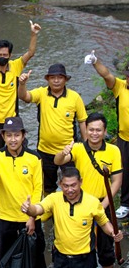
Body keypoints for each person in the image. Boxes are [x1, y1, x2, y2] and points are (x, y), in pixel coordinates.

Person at [21, 167, 123, 268]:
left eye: (73, 185)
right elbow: (38, 209)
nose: (70, 190)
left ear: (80, 182)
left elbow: (104, 223)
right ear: (59, 185)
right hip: (61, 258)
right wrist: (28, 209)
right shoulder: (54, 199)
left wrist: (113, 233)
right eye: (66, 186)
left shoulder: (92, 202)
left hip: (85, 259)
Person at [54, 112, 123, 268]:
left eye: (98, 130)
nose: (94, 133)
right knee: (81, 244)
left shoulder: (113, 151)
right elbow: (57, 161)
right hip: (80, 202)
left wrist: (103, 205)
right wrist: (63, 153)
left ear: (104, 131)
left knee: (107, 246)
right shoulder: (77, 148)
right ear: (86, 130)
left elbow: (117, 181)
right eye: (91, 129)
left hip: (103, 202)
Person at [0, 116, 48, 268]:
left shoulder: (34, 158)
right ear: (3, 136)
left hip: (29, 216)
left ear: (23, 136)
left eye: (16, 135)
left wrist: (32, 216)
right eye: (9, 135)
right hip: (4, 216)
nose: (13, 139)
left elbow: (38, 189)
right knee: (5, 254)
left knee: (35, 252)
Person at [18, 63, 87, 195]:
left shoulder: (74, 97)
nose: (56, 80)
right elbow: (24, 97)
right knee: (47, 185)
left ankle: (70, 208)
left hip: (68, 151)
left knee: (71, 184)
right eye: (52, 77)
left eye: (60, 77)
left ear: (65, 79)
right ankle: (49, 210)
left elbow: (82, 121)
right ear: (48, 79)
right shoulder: (41, 93)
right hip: (45, 150)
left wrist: (86, 146)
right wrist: (22, 84)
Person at [0, 21, 41, 152]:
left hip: (12, 119)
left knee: (18, 150)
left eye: (5, 55)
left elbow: (30, 53)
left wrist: (33, 34)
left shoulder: (16, 66)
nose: (2, 57)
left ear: (10, 55)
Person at [85, 50, 129, 219]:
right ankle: (125, 203)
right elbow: (106, 75)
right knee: (124, 171)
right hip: (125, 138)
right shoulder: (121, 87)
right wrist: (95, 61)